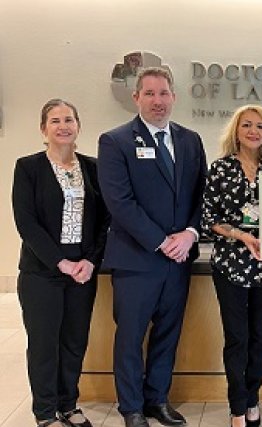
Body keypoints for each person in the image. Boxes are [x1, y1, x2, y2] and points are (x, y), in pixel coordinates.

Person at [97, 67, 207, 427]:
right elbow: (120, 203)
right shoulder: (115, 142)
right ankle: (130, 407)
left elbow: (201, 195)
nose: (157, 101)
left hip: (179, 261)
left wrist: (190, 233)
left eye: (163, 93)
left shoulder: (190, 140)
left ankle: (156, 400)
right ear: (136, 98)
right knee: (130, 337)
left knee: (167, 333)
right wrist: (162, 242)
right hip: (137, 259)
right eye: (149, 94)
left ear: (173, 97)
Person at [12, 99, 109, 427]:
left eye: (69, 119)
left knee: (74, 342)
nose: (63, 126)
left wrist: (90, 261)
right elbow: (27, 223)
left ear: (78, 125)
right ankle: (44, 411)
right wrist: (60, 263)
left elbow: (103, 222)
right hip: (42, 273)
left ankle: (69, 404)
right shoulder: (28, 168)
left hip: (82, 272)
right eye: (55, 121)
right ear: (44, 129)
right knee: (44, 344)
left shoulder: (93, 168)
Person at [202, 104, 262, 427]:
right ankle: (237, 407)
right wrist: (243, 236)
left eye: (260, 126)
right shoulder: (220, 168)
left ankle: (253, 398)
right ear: (236, 131)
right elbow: (209, 219)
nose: (253, 131)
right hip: (231, 266)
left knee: (259, 338)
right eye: (247, 125)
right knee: (236, 338)